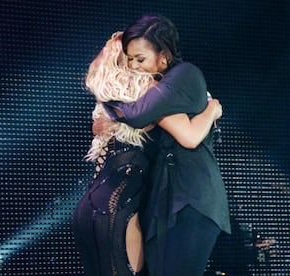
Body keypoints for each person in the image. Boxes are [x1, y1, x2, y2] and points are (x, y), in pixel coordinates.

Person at [73, 31, 222, 276]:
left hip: (90, 204)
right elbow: (190, 136)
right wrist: (212, 110)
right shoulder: (146, 89)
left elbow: (99, 128)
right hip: (120, 203)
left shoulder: (107, 98)